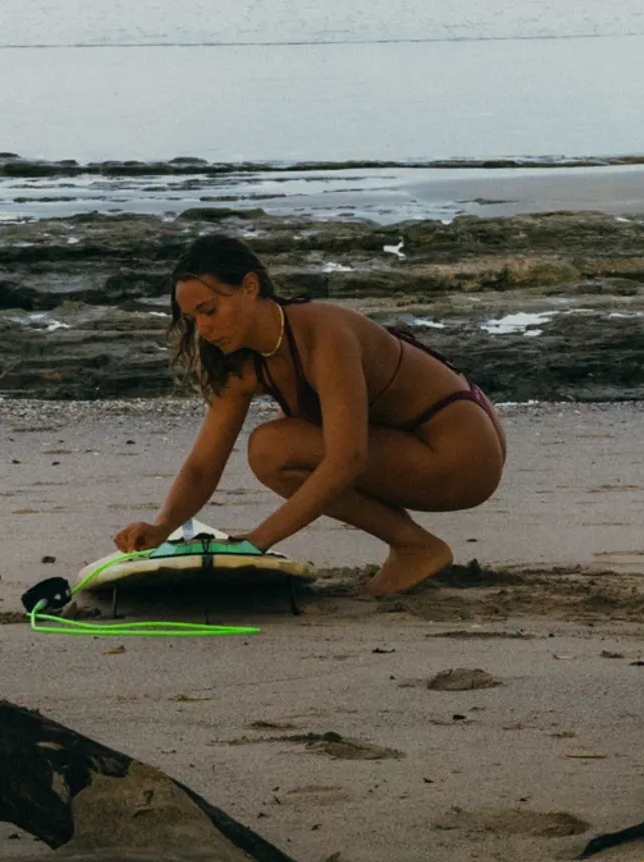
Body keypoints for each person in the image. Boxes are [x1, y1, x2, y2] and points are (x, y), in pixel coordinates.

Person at [114, 231, 505, 595]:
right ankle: (415, 545)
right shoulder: (242, 364)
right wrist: (164, 525)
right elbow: (202, 465)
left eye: (209, 310)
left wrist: (255, 543)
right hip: (410, 444)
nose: (204, 328)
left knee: (275, 447)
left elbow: (347, 459)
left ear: (249, 288)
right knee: (270, 449)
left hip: (461, 451)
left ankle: (414, 545)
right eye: (193, 319)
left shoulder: (323, 334)